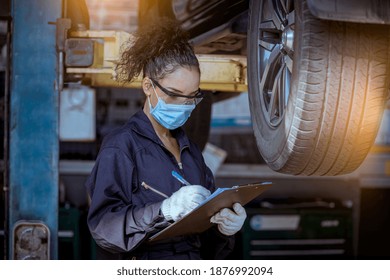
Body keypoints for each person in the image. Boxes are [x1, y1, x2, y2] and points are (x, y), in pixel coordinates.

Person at [86, 18, 247, 260]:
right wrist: (164, 210)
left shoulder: (191, 151)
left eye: (192, 96)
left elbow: (205, 241)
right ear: (148, 86)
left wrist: (224, 227)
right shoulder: (121, 147)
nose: (184, 105)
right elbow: (104, 228)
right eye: (175, 94)